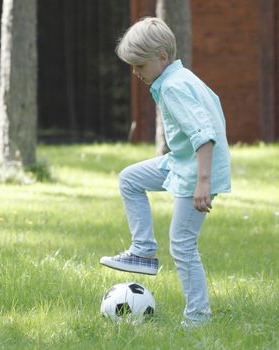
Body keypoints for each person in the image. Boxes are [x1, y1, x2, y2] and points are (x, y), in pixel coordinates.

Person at [99, 17, 231, 327]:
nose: (135, 73)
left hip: (197, 170)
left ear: (161, 57)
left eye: (139, 66)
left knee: (183, 244)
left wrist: (203, 183)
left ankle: (198, 317)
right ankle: (143, 251)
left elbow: (204, 135)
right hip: (181, 161)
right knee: (130, 178)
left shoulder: (174, 87)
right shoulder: (180, 78)